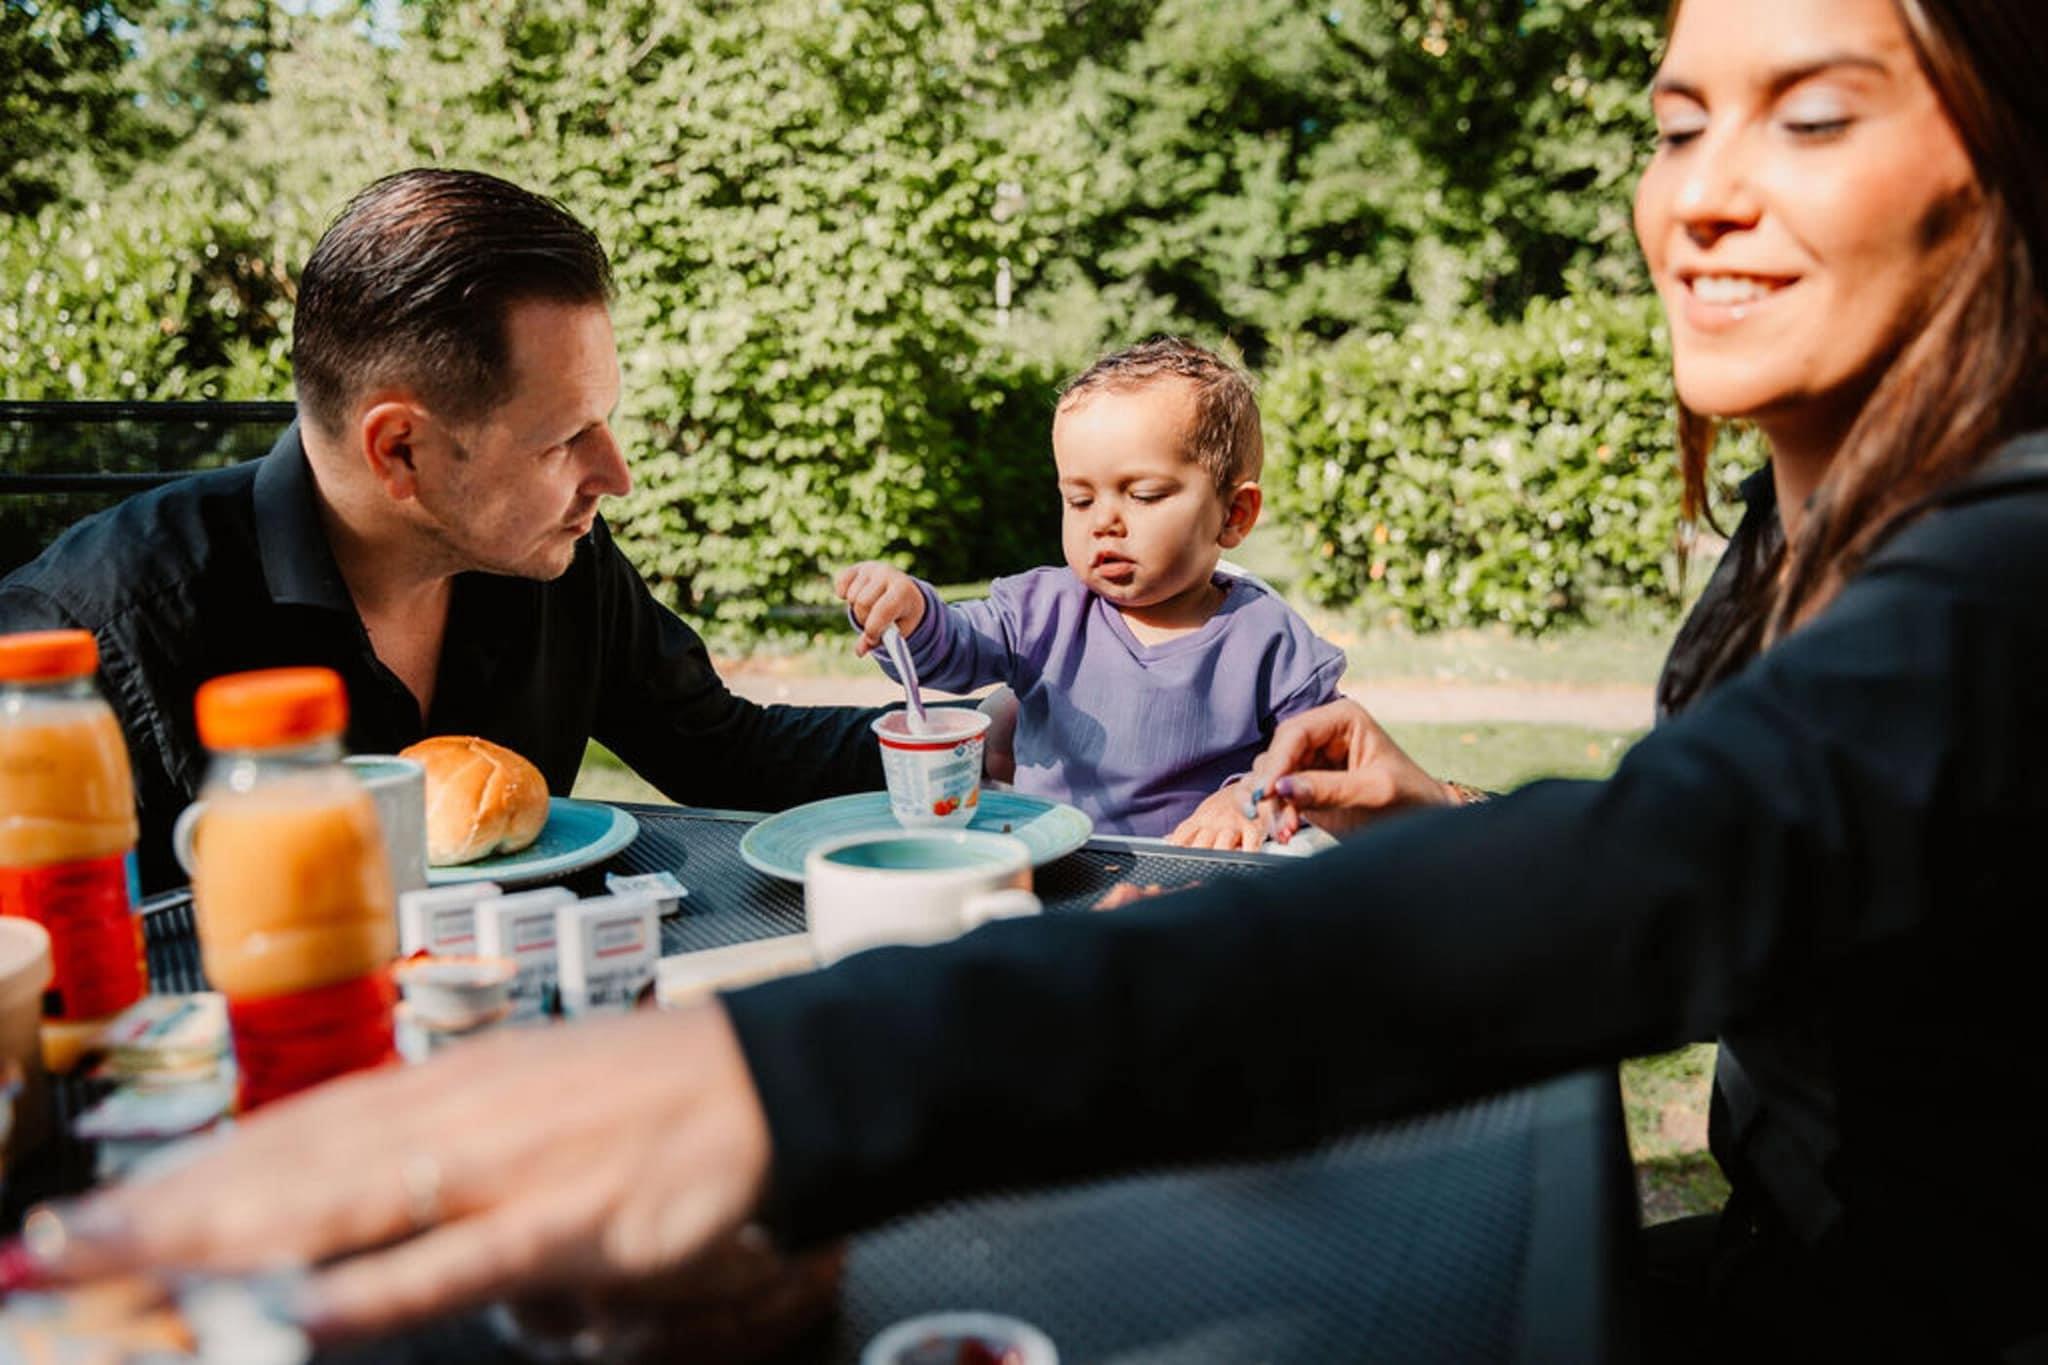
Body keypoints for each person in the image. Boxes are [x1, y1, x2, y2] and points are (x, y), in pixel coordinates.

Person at [16, 0, 2048, 1358]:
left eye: (1810, 111)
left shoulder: (2006, 568)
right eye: (1675, 119)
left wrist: (767, 1077)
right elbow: (1743, 846)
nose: (1692, 191)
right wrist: (1446, 815)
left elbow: (1671, 873)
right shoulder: (1821, 525)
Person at [0, 170, 884, 892]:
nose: (616, 476)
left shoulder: (556, 558)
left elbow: (728, 750)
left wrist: (953, 730)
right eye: (564, 439)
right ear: (400, 449)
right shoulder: (82, 646)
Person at [835, 338, 1347, 849]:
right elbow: (955, 647)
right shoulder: (1041, 611)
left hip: (1194, 876)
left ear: (1234, 514)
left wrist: (1247, 796)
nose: (1104, 522)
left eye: (1143, 494)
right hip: (1051, 863)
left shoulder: (1267, 637)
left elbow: (1326, 755)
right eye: (1079, 500)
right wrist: (911, 614)